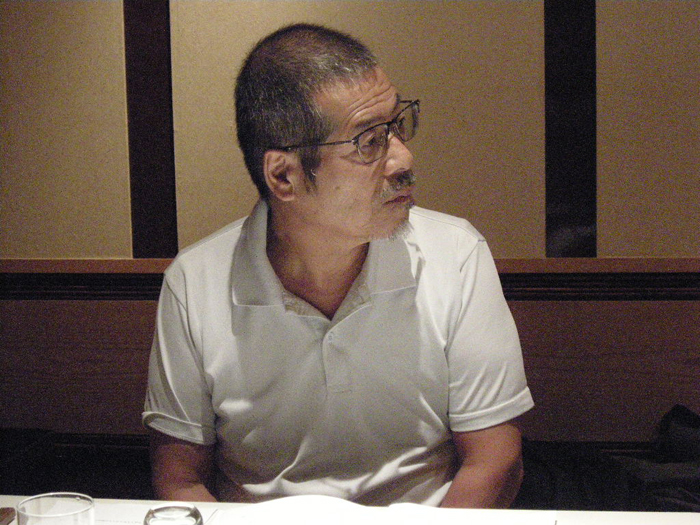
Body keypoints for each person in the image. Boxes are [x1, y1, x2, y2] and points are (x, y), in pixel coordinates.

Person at [143, 23, 534, 508]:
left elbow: (495, 461)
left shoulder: (454, 255)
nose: (403, 158)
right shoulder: (195, 282)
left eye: (397, 125)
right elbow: (179, 481)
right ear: (283, 176)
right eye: (369, 141)